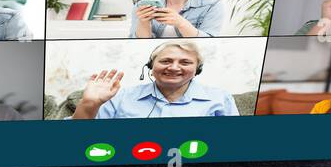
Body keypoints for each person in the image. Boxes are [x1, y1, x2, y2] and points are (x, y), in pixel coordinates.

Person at [70, 43, 238, 119]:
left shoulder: (220, 98)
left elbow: (234, 143)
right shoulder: (119, 96)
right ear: (151, 66)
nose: (173, 67)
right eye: (165, 61)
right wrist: (88, 104)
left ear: (197, 70)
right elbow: (74, 139)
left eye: (185, 62)